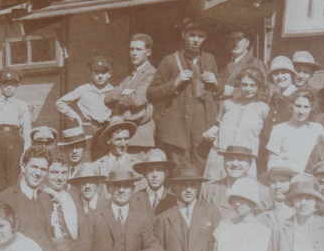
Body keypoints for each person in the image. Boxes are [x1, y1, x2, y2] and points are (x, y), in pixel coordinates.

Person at [148, 17, 220, 168]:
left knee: (201, 168)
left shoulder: (209, 59)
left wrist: (216, 82)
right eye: (192, 35)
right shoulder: (170, 61)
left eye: (200, 36)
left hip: (202, 128)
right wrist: (175, 82)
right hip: (177, 129)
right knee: (179, 170)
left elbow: (217, 95)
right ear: (183, 35)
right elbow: (151, 93)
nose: (196, 40)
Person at [203, 67, 269, 181]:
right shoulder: (227, 104)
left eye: (253, 85)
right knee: (214, 192)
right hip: (220, 156)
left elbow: (265, 137)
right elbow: (218, 124)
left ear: (259, 87)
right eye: (245, 85)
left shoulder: (263, 109)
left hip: (244, 161)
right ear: (239, 85)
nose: (248, 89)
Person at [0, 145, 54, 251]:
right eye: (34, 167)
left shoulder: (46, 200)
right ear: (23, 167)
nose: (38, 173)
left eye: (43, 169)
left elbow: (49, 240)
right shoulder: (3, 199)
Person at [0, 68, 33, 193]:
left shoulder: (22, 105)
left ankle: (13, 207)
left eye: (12, 85)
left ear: (17, 86)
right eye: (5, 84)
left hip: (15, 141)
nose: (9, 88)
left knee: (14, 176)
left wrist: (26, 152)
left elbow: (27, 130)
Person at [113, 33, 157, 153]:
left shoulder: (151, 73)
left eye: (138, 49)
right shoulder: (130, 76)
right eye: (131, 49)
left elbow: (137, 100)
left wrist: (122, 95)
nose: (133, 53)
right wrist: (126, 94)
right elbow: (108, 98)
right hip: (126, 135)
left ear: (148, 52)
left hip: (140, 136)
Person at [201, 146, 271, 220]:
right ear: (224, 161)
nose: (235, 164)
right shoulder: (210, 190)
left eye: (241, 159)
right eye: (230, 158)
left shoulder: (263, 192)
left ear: (250, 163)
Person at [56, 55, 116, 141]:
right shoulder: (84, 89)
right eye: (96, 72)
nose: (100, 76)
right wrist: (75, 116)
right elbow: (60, 102)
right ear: (91, 73)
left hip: (108, 128)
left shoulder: (114, 91)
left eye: (103, 73)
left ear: (109, 74)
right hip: (89, 129)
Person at [266, 89, 324, 173]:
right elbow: (272, 161)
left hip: (309, 178)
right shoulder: (279, 129)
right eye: (298, 106)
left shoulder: (318, 129)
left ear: (311, 108)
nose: (301, 111)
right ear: (291, 106)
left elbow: (321, 157)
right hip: (285, 177)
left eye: (306, 107)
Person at [258, 162, 298, 230]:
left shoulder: (299, 213)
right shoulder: (263, 215)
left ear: (291, 184)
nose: (277, 186)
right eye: (273, 182)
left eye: (282, 181)